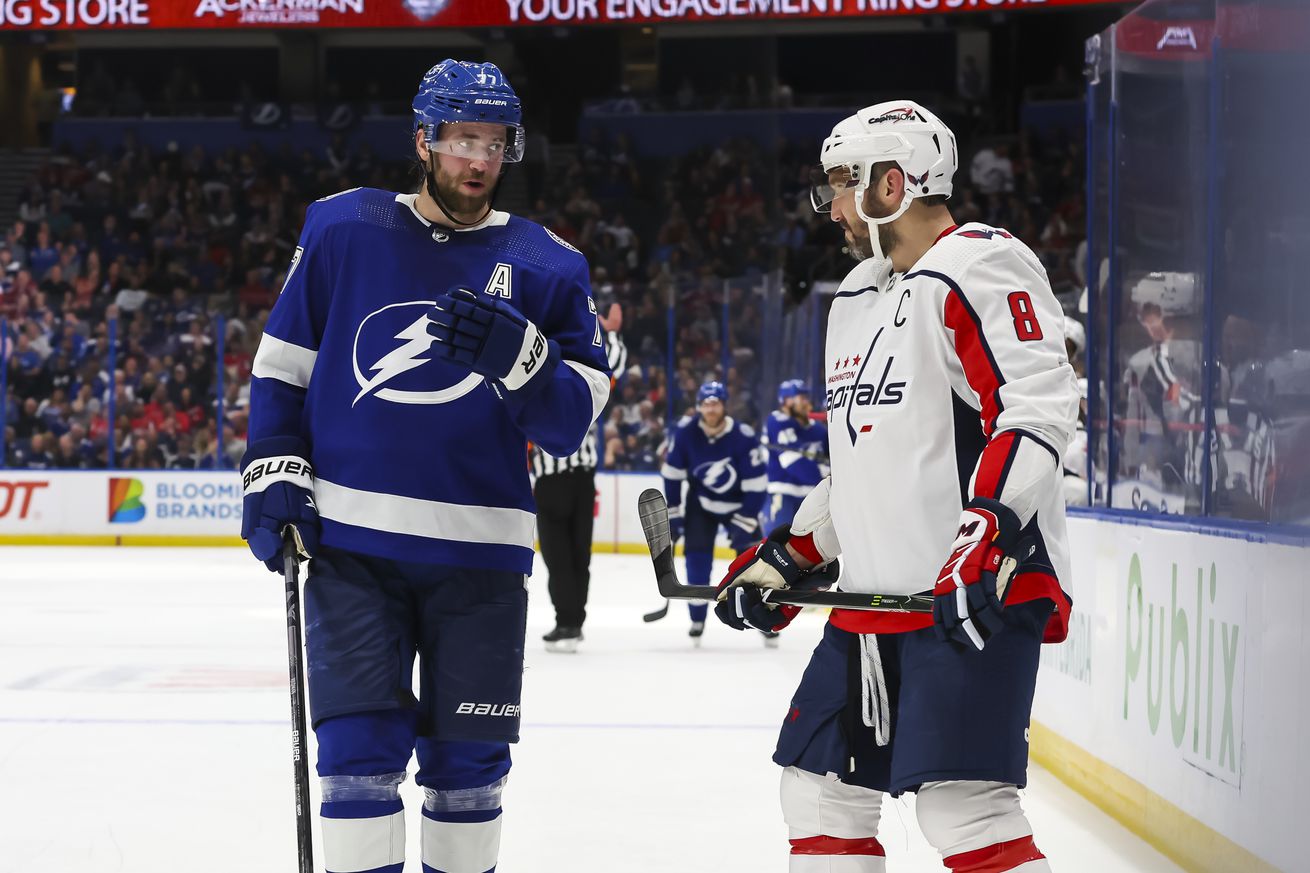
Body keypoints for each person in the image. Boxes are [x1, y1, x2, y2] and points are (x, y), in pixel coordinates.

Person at [239, 59, 610, 873]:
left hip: (479, 555)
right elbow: (281, 368)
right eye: (461, 138)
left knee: (468, 772)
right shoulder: (343, 229)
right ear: (424, 139)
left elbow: (571, 420)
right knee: (358, 754)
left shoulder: (550, 266)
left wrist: (524, 360)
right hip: (351, 547)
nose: (478, 159)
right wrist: (273, 466)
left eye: (494, 142)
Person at [711, 101, 1078, 872]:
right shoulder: (855, 295)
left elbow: (1037, 405)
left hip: (970, 592)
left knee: (963, 807)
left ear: (891, 184)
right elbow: (860, 465)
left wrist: (986, 529)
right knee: (818, 792)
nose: (831, 205)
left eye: (841, 185)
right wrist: (787, 555)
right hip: (873, 601)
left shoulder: (979, 263)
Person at [533, 320, 627, 653]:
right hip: (580, 481)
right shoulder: (581, 386)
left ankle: (567, 623)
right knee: (576, 556)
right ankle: (573, 623)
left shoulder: (531, 381)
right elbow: (611, 362)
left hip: (550, 482)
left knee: (560, 558)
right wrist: (612, 333)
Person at [661, 380, 767, 643]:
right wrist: (673, 512)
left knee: (755, 566)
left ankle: (764, 618)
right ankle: (697, 619)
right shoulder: (686, 433)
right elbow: (672, 475)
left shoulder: (742, 436)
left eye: (715, 404)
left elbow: (757, 484)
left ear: (724, 407)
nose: (711, 409)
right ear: (698, 407)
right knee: (697, 562)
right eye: (706, 404)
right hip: (702, 505)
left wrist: (746, 519)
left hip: (741, 506)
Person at [763, 379, 828, 531]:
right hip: (784, 493)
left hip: (812, 496)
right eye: (801, 397)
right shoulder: (777, 421)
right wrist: (823, 475)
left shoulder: (818, 430)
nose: (805, 401)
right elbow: (794, 463)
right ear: (786, 401)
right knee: (777, 545)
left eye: (806, 397)